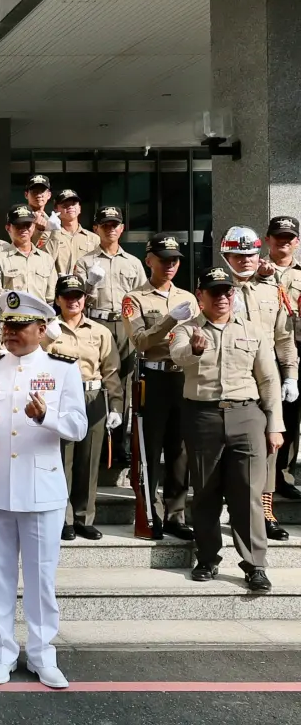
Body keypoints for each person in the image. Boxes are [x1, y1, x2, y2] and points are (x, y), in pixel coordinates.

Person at [0, 289, 87, 689]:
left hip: (42, 486)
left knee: (39, 577)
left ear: (41, 328)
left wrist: (47, 416)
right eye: (7, 326)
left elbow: (79, 427)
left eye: (19, 326)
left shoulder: (64, 369)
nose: (11, 333)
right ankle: (1, 652)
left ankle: (41, 653)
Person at [170, 266, 282, 594]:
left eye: (227, 291)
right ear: (200, 295)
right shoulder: (186, 329)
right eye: (214, 291)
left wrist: (275, 424)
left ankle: (254, 565)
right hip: (203, 416)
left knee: (247, 493)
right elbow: (177, 358)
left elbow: (268, 379)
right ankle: (206, 557)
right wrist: (195, 349)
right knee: (205, 490)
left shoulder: (254, 330)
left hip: (247, 415)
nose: (221, 297)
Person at [219, 226, 297, 540]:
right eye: (238, 256)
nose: (246, 261)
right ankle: (229, 505)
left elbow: (284, 337)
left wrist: (290, 373)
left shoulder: (271, 289)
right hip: (231, 375)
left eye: (250, 254)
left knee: (270, 443)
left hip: (266, 375)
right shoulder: (218, 288)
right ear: (227, 257)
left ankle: (265, 509)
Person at [121, 233, 198, 540]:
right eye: (164, 260)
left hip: (183, 376)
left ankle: (176, 513)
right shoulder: (135, 298)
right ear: (148, 259)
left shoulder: (188, 298)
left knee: (179, 450)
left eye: (175, 260)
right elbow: (139, 340)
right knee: (150, 448)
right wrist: (168, 321)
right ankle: (150, 513)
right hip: (152, 378)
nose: (170, 265)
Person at [43, 275, 121, 540]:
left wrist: (116, 406)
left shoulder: (100, 331)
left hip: (92, 394)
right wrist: (45, 340)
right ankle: (63, 517)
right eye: (67, 296)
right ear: (57, 300)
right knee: (63, 459)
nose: (73, 301)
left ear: (85, 300)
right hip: (62, 396)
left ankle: (83, 517)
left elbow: (111, 371)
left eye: (78, 296)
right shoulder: (49, 328)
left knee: (89, 459)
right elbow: (36, 362)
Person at [74, 206, 147, 480]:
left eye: (115, 224)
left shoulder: (133, 262)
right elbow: (76, 299)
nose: (110, 229)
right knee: (100, 379)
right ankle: (95, 437)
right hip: (97, 322)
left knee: (125, 384)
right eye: (105, 225)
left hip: (125, 323)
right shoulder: (86, 261)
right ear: (96, 228)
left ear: (122, 228)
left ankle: (120, 444)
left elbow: (141, 296)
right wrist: (90, 285)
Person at [264, 215, 301, 499]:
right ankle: (266, 475)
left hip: (296, 348)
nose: (284, 242)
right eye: (279, 237)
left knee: (293, 413)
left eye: (289, 237)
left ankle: (284, 475)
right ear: (268, 240)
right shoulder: (255, 269)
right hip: (265, 351)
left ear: (297, 242)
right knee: (271, 414)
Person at [0, 205, 56, 303]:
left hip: (40, 315)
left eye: (27, 224)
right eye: (18, 225)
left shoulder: (46, 259)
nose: (23, 229)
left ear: (34, 226)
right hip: (11, 316)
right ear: (8, 228)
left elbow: (51, 299)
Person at [43, 190, 100, 275]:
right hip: (59, 286)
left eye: (73, 204)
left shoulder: (94, 238)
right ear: (56, 209)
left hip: (84, 286)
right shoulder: (47, 235)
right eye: (65, 205)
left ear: (79, 208)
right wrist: (54, 233)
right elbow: (45, 262)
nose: (70, 207)